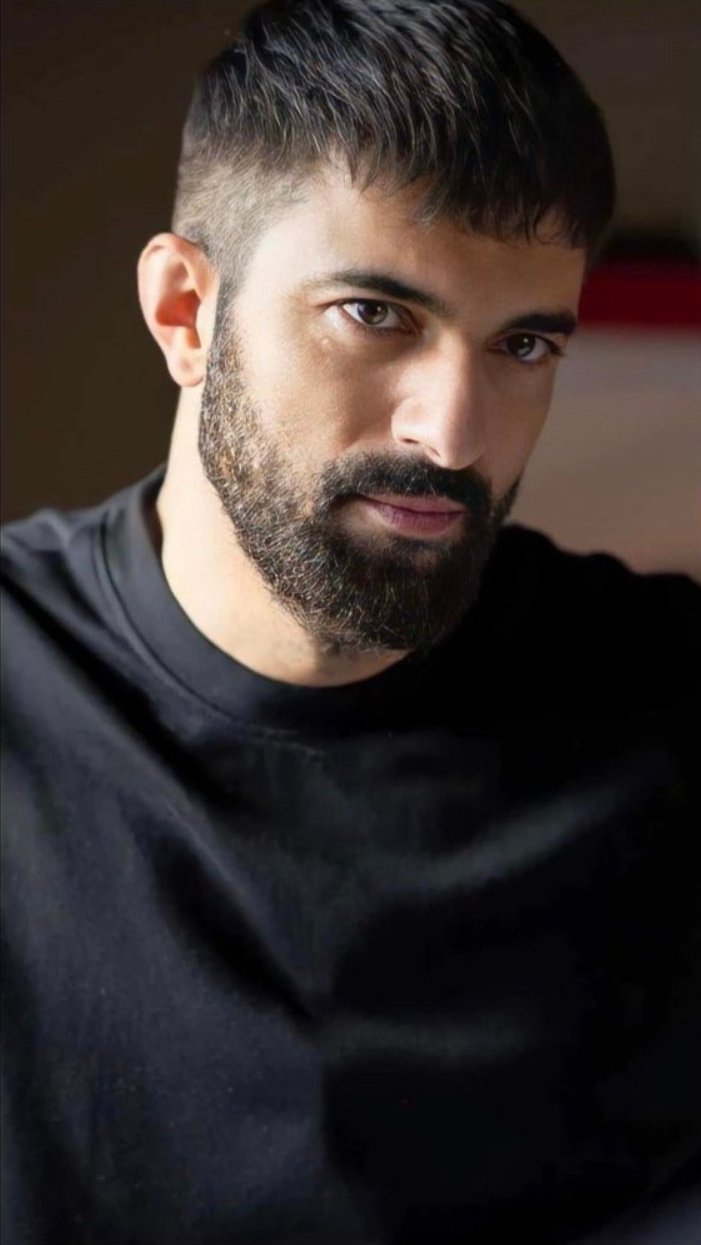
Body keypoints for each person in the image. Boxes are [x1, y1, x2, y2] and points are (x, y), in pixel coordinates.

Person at [2, 1, 699, 1241]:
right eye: (375, 315)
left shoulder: (666, 700)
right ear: (184, 312)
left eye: (521, 344)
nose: (452, 432)